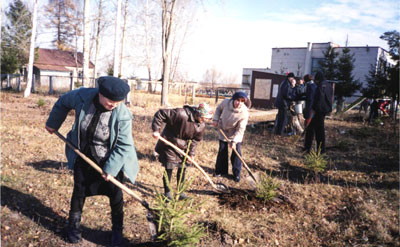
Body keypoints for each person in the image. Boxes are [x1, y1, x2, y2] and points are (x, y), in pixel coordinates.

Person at [45, 76, 139, 247]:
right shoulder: (82, 96)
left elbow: (124, 146)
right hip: (83, 153)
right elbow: (62, 103)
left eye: (118, 102)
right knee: (79, 190)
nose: (114, 104)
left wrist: (110, 169)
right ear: (100, 93)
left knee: (115, 194)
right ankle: (73, 227)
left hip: (111, 157)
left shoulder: (123, 114)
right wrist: (53, 123)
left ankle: (117, 230)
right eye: (111, 101)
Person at [152, 102, 213, 200]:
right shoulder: (181, 113)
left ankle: (180, 193)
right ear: (198, 114)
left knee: (182, 168)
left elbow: (195, 140)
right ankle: (167, 194)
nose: (205, 120)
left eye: (207, 118)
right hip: (169, 142)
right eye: (204, 117)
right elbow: (160, 114)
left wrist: (191, 154)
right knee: (169, 168)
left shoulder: (201, 125)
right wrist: (156, 130)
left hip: (184, 147)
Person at [212, 92, 250, 182]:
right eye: (237, 100)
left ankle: (236, 174)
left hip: (235, 133)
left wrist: (234, 141)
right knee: (222, 150)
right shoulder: (225, 102)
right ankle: (221, 171)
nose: (239, 103)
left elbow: (241, 129)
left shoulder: (244, 113)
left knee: (236, 153)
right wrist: (215, 119)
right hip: (223, 129)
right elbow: (218, 109)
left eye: (242, 101)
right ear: (233, 99)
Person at [303, 71, 333, 154]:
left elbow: (319, 98)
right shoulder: (329, 85)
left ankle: (320, 150)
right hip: (324, 110)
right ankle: (307, 148)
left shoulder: (320, 85)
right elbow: (330, 98)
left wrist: (314, 108)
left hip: (318, 111)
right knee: (311, 129)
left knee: (319, 131)